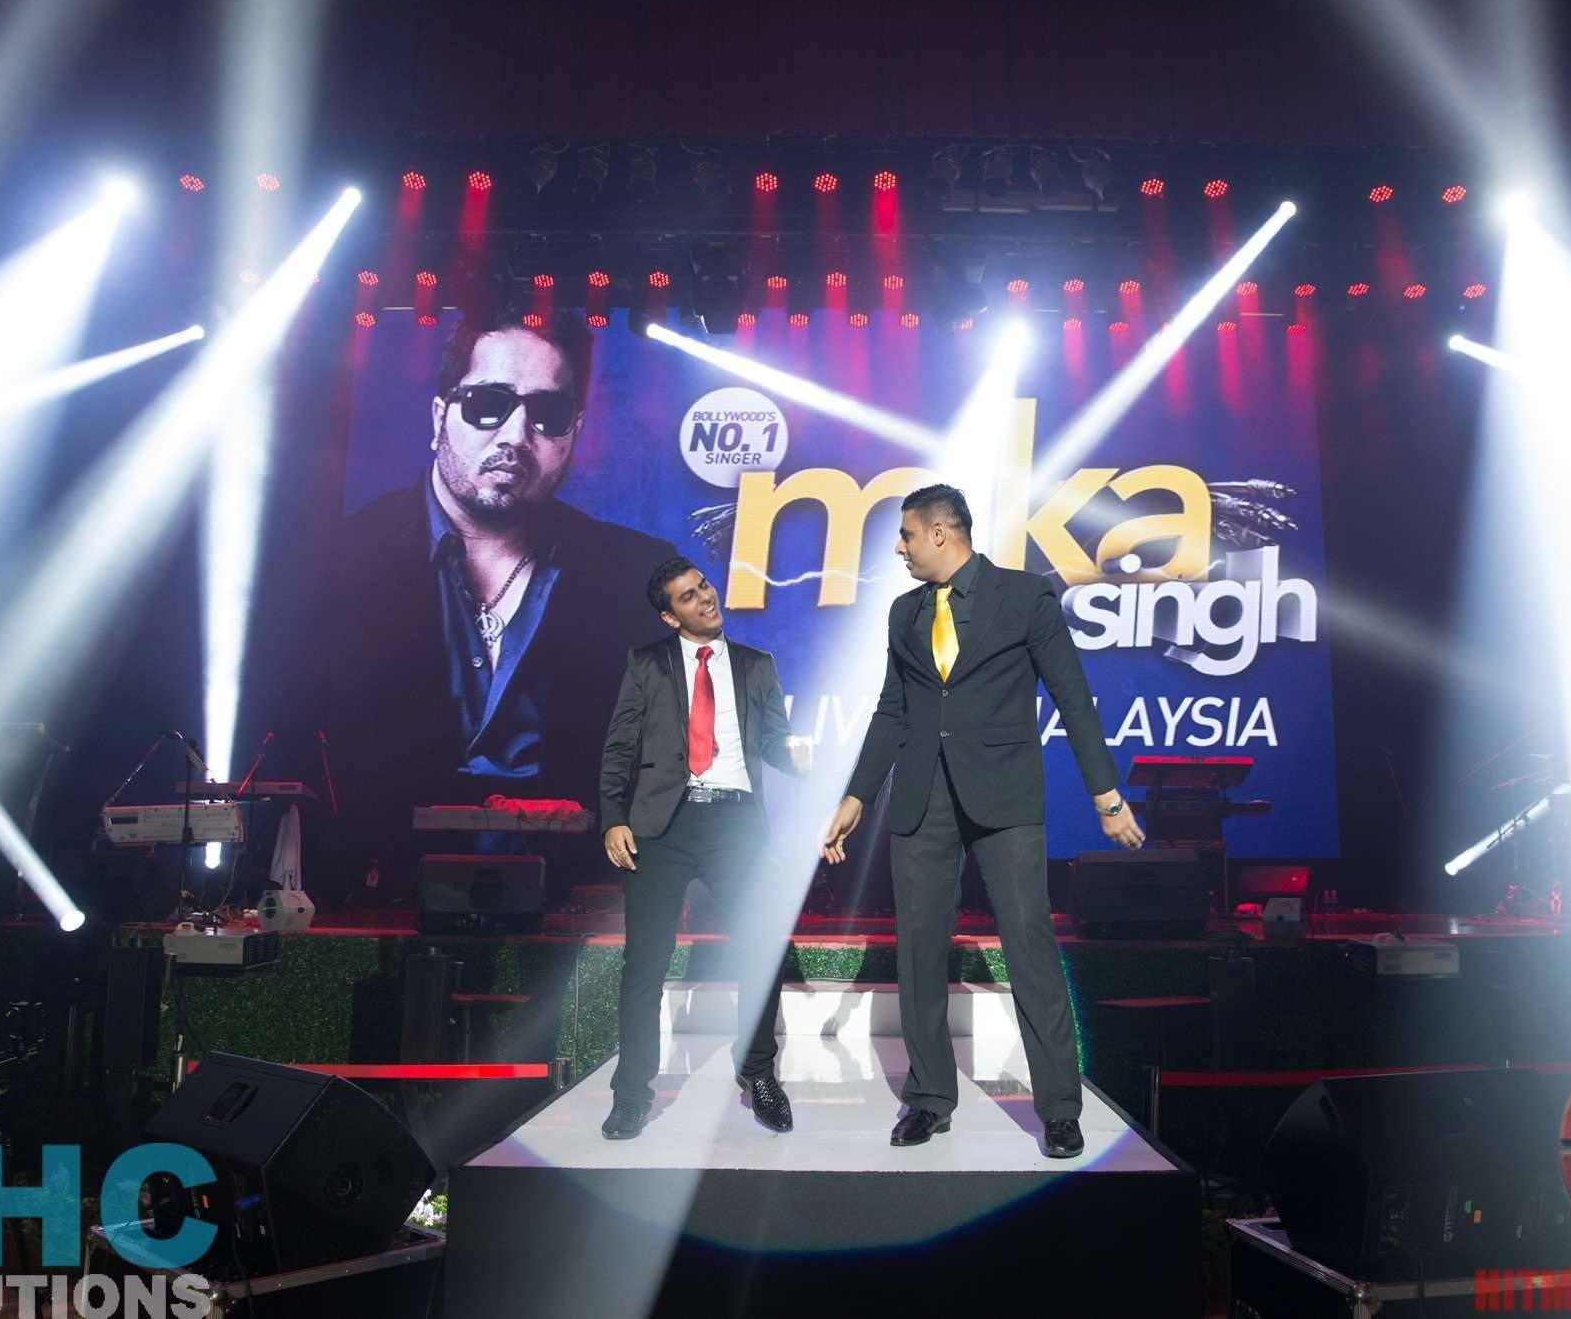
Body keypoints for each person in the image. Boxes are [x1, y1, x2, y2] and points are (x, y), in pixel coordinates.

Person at [822, 484, 1144, 1158]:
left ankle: (1059, 1108)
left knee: (1029, 946)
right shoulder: (904, 611)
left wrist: (1106, 795)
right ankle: (929, 1098)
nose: (900, 547)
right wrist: (856, 796)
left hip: (1005, 799)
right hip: (921, 800)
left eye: (907, 534)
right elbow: (892, 708)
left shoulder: (1024, 596)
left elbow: (1072, 695)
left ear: (942, 533)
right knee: (919, 953)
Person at [314, 306, 672, 885]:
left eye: (547, 413)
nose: (515, 436)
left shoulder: (640, 576)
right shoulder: (331, 565)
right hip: (371, 898)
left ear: (575, 429)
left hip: (574, 908)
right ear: (440, 416)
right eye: (488, 404)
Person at [598, 557, 811, 1139]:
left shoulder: (757, 665)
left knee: (760, 950)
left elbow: (774, 742)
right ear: (670, 616)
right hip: (662, 827)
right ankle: (632, 1093)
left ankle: (758, 1073)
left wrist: (798, 756)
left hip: (736, 825)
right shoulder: (647, 664)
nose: (705, 598)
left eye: (705, 586)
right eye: (688, 596)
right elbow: (619, 747)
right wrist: (613, 818)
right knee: (645, 965)